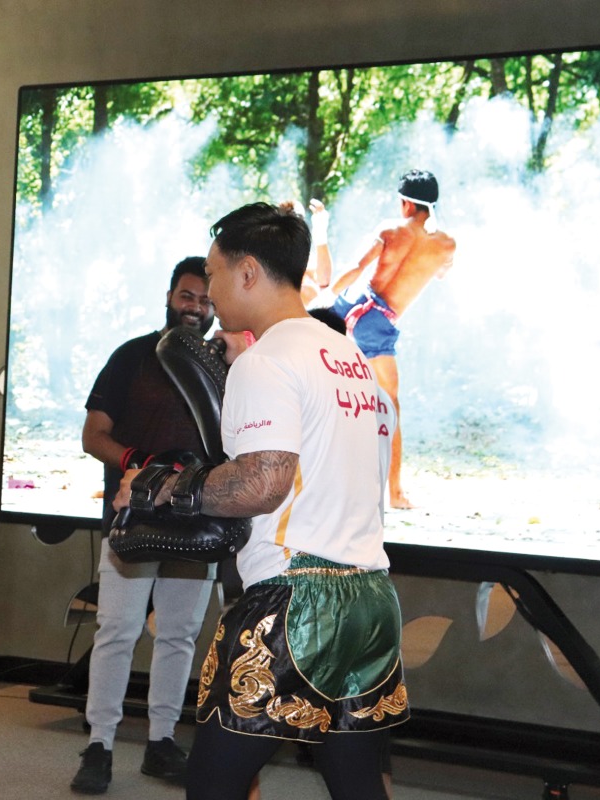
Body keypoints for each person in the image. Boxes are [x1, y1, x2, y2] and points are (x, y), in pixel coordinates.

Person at [116, 203, 408, 800]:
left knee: (212, 786)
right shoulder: (350, 359)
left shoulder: (267, 359)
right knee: (355, 781)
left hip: (295, 604)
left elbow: (263, 482)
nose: (212, 293)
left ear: (248, 272)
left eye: (215, 274)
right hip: (371, 602)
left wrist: (161, 489)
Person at [71, 257, 218, 794]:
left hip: (197, 520)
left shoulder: (224, 364)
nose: (195, 308)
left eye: (205, 300)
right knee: (117, 631)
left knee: (179, 634)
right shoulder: (132, 355)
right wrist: (137, 462)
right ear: (170, 295)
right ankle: (99, 745)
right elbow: (93, 435)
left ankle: (161, 742)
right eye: (187, 296)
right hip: (133, 518)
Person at [330, 169, 456, 509]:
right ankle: (396, 493)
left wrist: (325, 296)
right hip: (378, 322)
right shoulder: (446, 244)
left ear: (405, 204)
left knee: (328, 391)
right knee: (389, 406)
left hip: (350, 308)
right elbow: (443, 272)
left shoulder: (389, 229)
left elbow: (357, 268)